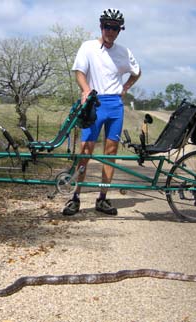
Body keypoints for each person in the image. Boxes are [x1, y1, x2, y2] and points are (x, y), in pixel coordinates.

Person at [63, 8, 141, 216]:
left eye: (115, 28)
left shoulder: (124, 52)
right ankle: (76, 197)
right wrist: (86, 90)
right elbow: (79, 72)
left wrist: (125, 88)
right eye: (107, 26)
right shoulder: (88, 47)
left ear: (119, 30)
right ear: (101, 27)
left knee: (111, 153)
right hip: (94, 104)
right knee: (85, 151)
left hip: (115, 105)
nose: (110, 31)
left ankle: (102, 198)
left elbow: (137, 71)